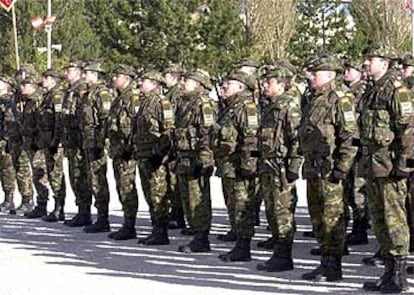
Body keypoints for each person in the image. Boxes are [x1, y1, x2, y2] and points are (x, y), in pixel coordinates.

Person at [298, 53, 358, 281]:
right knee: (317, 216)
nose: (311, 77)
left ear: (331, 74)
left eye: (316, 73)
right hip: (314, 168)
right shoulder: (313, 98)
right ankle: (324, 259)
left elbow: (352, 137)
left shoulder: (340, 98)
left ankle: (334, 265)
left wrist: (342, 167)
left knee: (332, 217)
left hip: (330, 169)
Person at [360, 45, 414, 293]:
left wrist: (405, 164)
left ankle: (400, 276)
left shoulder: (396, 90)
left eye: (371, 59)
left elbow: (409, 130)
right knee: (379, 219)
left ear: (385, 62)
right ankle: (388, 272)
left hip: (392, 168)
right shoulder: (373, 91)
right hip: (373, 166)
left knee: (395, 220)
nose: (366, 63)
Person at [256, 65, 302, 272]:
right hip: (268, 165)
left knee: (283, 211)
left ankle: (284, 255)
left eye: (269, 82)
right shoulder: (271, 105)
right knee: (272, 210)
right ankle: (277, 249)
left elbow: (296, 139)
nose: (265, 85)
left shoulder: (288, 106)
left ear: (282, 85)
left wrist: (294, 165)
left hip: (281, 168)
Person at [213, 70, 260, 262]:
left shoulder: (246, 108)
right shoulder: (231, 107)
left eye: (228, 84)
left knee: (242, 207)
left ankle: (243, 247)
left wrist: (248, 167)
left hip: (240, 168)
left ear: (241, 87)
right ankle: (238, 241)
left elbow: (251, 140)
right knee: (233, 205)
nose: (224, 87)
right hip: (229, 166)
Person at [174, 69, 216, 253]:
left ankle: (202, 238)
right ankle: (195, 233)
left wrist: (205, 160)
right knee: (188, 199)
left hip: (195, 159)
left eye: (186, 80)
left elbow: (207, 133)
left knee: (198, 198)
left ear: (198, 84)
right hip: (184, 158)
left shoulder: (203, 104)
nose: (182, 83)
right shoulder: (186, 103)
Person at [133, 70, 175, 246]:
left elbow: (168, 130)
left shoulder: (161, 103)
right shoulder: (144, 102)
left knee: (158, 194)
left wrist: (159, 153)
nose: (140, 83)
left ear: (154, 83)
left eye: (144, 80)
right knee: (149, 193)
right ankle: (155, 228)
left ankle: (161, 231)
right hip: (144, 155)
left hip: (155, 157)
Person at [107, 64, 140, 240]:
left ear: (126, 78)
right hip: (119, 149)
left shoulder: (132, 98)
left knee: (127, 187)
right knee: (121, 186)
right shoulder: (120, 97)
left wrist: (130, 147)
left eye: (117, 76)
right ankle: (127, 223)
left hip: (127, 150)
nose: (114, 79)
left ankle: (130, 225)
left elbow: (136, 125)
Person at [80, 62, 113, 233]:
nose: (83, 76)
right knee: (92, 180)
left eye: (86, 73)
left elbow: (105, 119)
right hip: (89, 143)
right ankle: (98, 216)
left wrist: (101, 143)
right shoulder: (88, 93)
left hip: (97, 145)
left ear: (95, 74)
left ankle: (103, 218)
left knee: (98, 181)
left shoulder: (102, 93)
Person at [62, 61, 92, 227]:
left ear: (79, 72)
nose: (67, 72)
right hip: (71, 141)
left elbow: (84, 117)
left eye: (70, 70)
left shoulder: (81, 90)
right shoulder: (70, 90)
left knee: (80, 177)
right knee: (75, 176)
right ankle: (81, 211)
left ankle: (85, 212)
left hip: (79, 141)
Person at [342, 58, 369, 245]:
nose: (346, 73)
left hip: (359, 147)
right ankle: (356, 227)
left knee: (359, 190)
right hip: (352, 145)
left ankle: (360, 228)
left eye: (350, 70)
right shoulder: (349, 92)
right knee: (351, 188)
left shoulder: (361, 91)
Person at [19, 73, 50, 219]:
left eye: (24, 85)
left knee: (40, 174)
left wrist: (38, 141)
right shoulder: (29, 100)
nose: (21, 87)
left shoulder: (38, 100)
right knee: (36, 174)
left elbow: (42, 123)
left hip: (38, 144)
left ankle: (43, 204)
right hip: (31, 143)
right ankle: (41, 205)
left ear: (32, 86)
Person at [38, 70, 66, 222]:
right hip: (47, 141)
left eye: (45, 78)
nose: (42, 81)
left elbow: (59, 120)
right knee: (52, 174)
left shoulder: (57, 96)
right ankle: (57, 206)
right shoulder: (47, 96)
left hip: (55, 142)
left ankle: (59, 207)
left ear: (52, 80)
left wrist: (56, 141)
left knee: (56, 174)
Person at [163, 64, 187, 231]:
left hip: (177, 143)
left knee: (174, 181)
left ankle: (177, 214)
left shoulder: (177, 94)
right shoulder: (170, 94)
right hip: (174, 141)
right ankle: (175, 213)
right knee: (172, 180)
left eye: (166, 75)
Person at [0, 76, 18, 214]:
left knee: (7, 170)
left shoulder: (9, 99)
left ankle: (9, 198)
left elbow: (10, 119)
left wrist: (7, 138)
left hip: (6, 139)